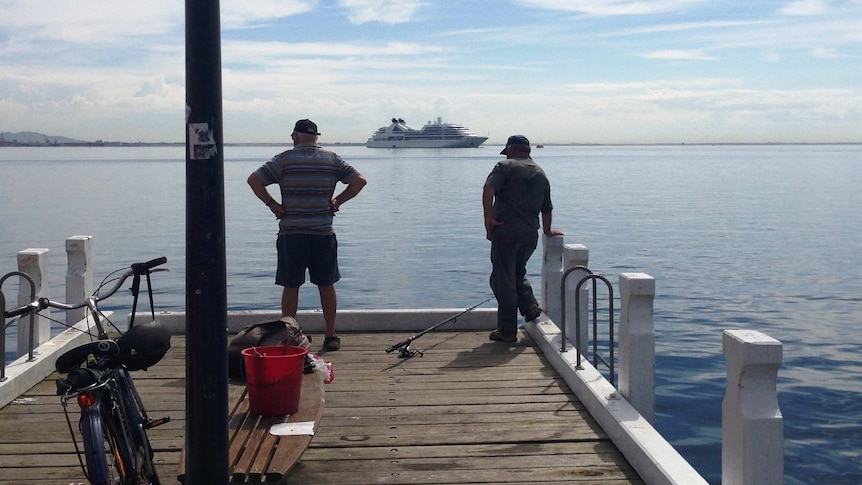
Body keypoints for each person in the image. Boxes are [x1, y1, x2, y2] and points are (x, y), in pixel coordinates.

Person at [248, 119, 367, 351]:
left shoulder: (283, 160)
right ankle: (331, 335)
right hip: (323, 233)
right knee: (327, 285)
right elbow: (359, 181)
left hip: (292, 233)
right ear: (316, 137)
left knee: (291, 286)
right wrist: (338, 201)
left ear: (295, 136)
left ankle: (289, 336)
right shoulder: (332, 159)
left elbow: (254, 180)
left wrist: (272, 204)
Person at [483, 134, 563, 343]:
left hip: (506, 231)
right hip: (529, 234)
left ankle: (507, 331)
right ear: (528, 152)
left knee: (503, 280)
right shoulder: (540, 173)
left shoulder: (504, 166)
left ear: (510, 150)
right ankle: (529, 306)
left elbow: (488, 189)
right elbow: (547, 208)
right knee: (517, 272)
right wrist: (547, 231)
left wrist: (488, 217)